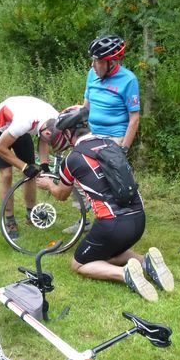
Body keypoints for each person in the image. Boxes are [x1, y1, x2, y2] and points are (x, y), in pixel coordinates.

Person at [36, 107, 174, 302]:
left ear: (68, 133)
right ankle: (145, 262)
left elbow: (61, 195)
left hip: (113, 224)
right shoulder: (109, 144)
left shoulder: (72, 159)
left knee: (79, 264)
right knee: (104, 253)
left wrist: (49, 184)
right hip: (138, 218)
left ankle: (125, 274)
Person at [61, 34, 141, 234]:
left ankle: (117, 221)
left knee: (112, 183)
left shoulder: (128, 80)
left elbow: (134, 119)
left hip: (114, 137)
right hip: (91, 134)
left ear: (110, 62)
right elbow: (86, 107)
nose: (93, 64)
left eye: (97, 60)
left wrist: (123, 149)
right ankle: (84, 219)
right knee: (77, 172)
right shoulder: (92, 74)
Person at [0, 96, 64, 239]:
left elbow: (44, 139)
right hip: (2, 127)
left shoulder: (55, 120)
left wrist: (44, 166)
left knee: (32, 173)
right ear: (47, 133)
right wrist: (23, 166)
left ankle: (31, 213)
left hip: (21, 129)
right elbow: (0, 148)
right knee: (6, 174)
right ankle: (9, 219)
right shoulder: (24, 122)